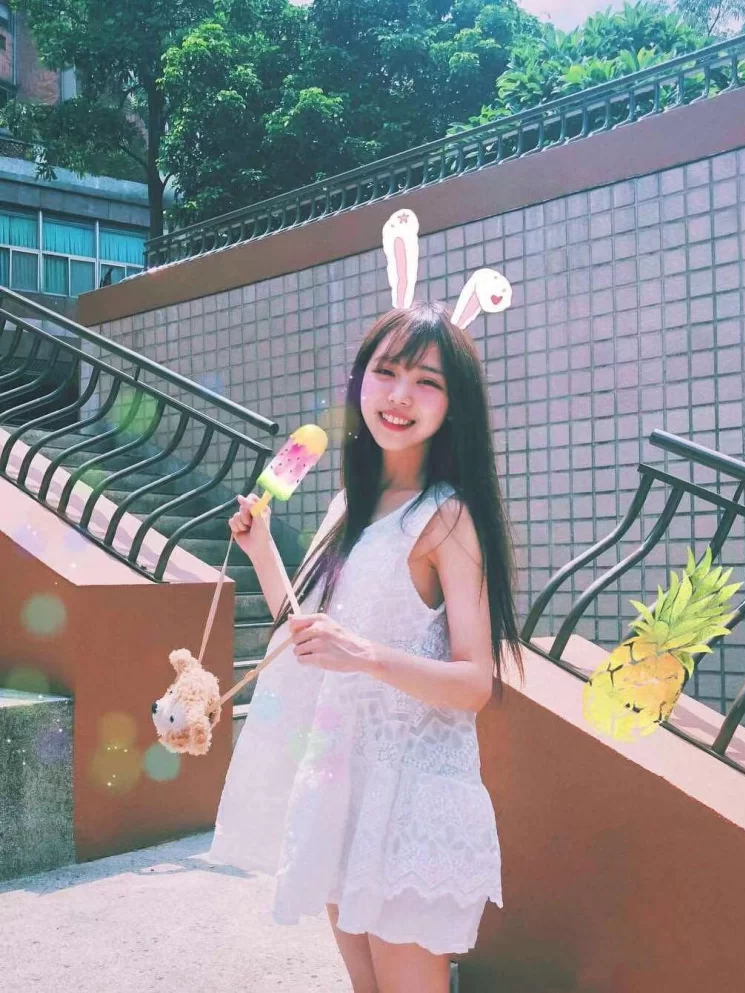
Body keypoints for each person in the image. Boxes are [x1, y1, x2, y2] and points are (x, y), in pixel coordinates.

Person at [208, 214, 524, 993]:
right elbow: (308, 636)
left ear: (453, 404)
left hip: (413, 797)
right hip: (341, 787)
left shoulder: (447, 517)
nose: (400, 395)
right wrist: (262, 549)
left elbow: (475, 681)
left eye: (428, 381)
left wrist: (365, 655)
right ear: (362, 381)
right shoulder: (350, 504)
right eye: (387, 371)